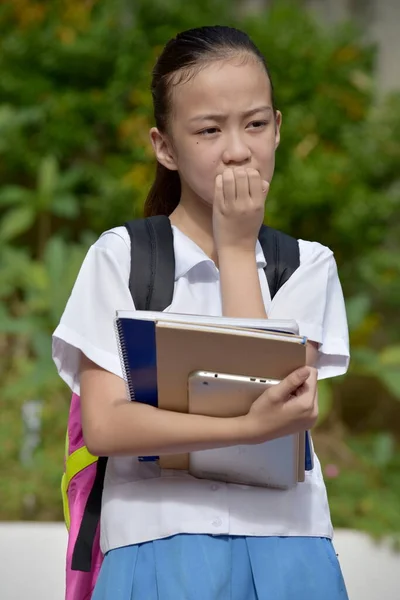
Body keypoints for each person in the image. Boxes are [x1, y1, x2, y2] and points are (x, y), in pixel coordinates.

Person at [53, 25, 350, 599]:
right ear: (165, 146)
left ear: (279, 128)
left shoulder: (306, 265)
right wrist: (246, 426)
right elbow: (107, 424)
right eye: (209, 130)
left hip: (290, 550)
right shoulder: (123, 257)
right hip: (155, 545)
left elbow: (271, 407)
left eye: (256, 123)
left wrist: (238, 250)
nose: (238, 148)